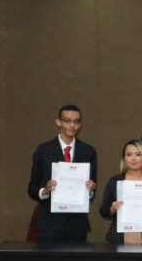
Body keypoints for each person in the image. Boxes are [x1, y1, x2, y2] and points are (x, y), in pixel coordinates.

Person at [27, 104, 98, 243]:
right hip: (49, 223)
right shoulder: (43, 151)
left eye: (76, 121)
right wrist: (45, 191)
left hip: (77, 224)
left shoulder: (88, 152)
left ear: (80, 124)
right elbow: (32, 188)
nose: (72, 125)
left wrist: (90, 190)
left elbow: (92, 189)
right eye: (67, 120)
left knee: (77, 258)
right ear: (58, 122)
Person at [98, 140, 142, 244]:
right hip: (119, 238)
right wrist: (112, 208)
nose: (133, 158)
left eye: (138, 154)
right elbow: (103, 211)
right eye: (129, 155)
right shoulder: (115, 181)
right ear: (124, 158)